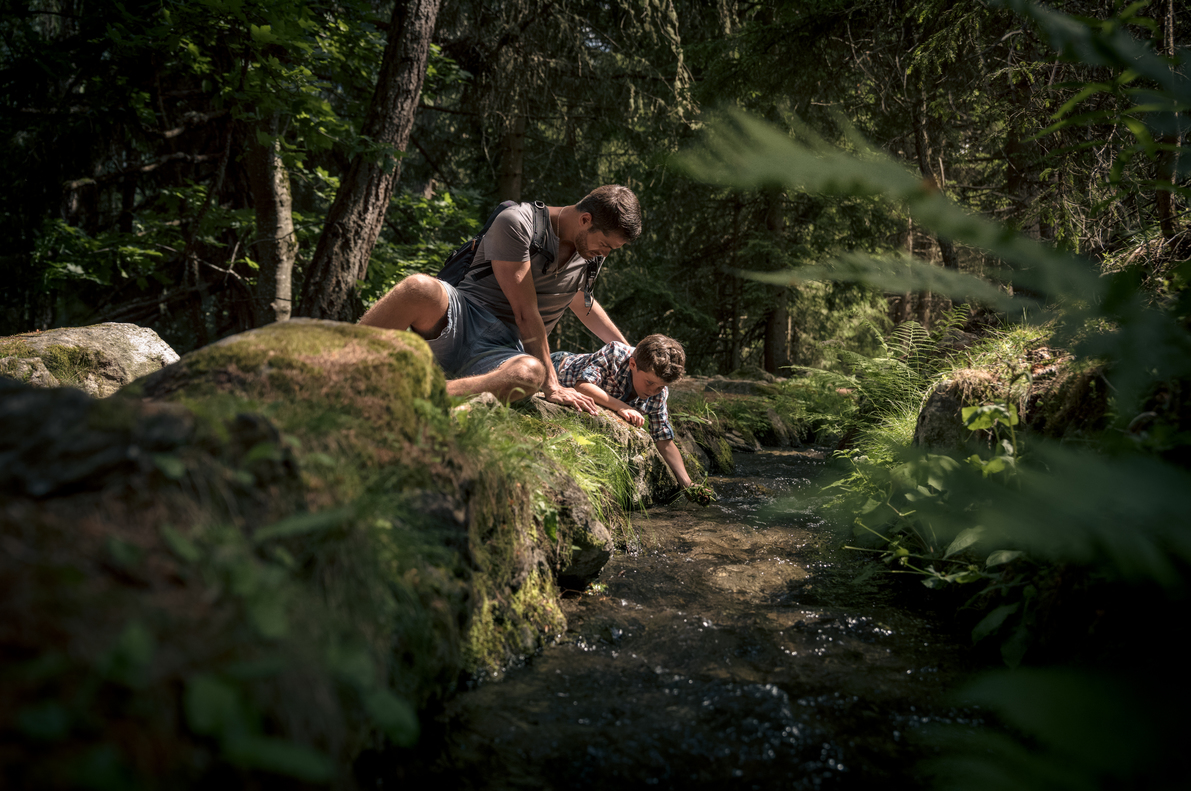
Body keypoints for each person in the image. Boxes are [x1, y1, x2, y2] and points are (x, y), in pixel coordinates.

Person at [359, 185, 641, 414]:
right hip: (462, 317)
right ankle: (336, 361)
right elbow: (525, 311)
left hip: (505, 347)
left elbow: (579, 302)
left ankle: (420, 396)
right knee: (419, 287)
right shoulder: (518, 222)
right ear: (585, 220)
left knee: (530, 373)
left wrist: (632, 354)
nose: (606, 254)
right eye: (606, 244)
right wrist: (553, 386)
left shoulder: (590, 253)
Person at [551, 334, 694, 490]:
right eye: (649, 382)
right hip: (558, 366)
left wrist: (688, 484)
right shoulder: (615, 353)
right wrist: (621, 407)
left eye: (660, 386)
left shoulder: (659, 394)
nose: (653, 391)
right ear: (633, 364)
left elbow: (663, 439)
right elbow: (583, 387)